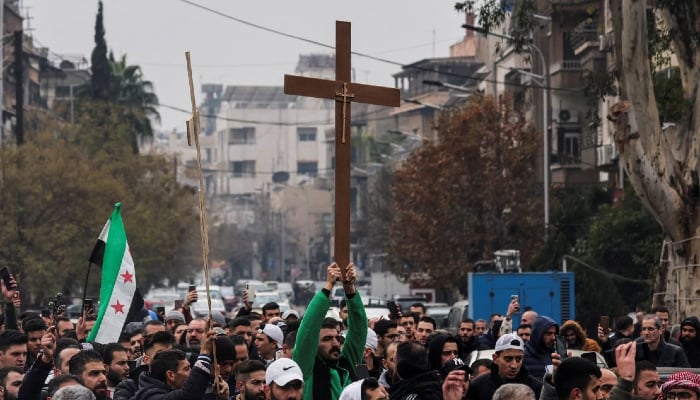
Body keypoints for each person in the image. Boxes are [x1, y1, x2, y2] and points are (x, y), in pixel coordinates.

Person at [293, 262, 367, 400]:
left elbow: (359, 329)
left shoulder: (347, 363)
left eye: (337, 337)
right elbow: (308, 329)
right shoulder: (306, 368)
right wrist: (329, 286)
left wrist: (349, 288)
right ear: (314, 345)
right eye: (326, 339)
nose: (335, 343)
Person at [135, 329, 227, 400]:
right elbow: (187, 396)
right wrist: (204, 353)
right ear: (170, 375)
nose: (191, 373)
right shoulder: (149, 395)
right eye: (186, 369)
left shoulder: (168, 388)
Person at [466, 333, 541, 400]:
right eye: (508, 359)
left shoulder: (535, 386)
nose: (514, 365)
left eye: (518, 359)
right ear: (495, 358)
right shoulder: (479, 385)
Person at [113, 331, 174, 400]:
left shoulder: (181, 382)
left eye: (172, 353)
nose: (169, 358)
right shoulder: (129, 386)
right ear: (146, 360)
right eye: (161, 354)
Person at [523, 315, 560, 379]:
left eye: (554, 333)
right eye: (549, 333)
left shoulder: (555, 355)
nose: (553, 338)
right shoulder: (522, 356)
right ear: (538, 334)